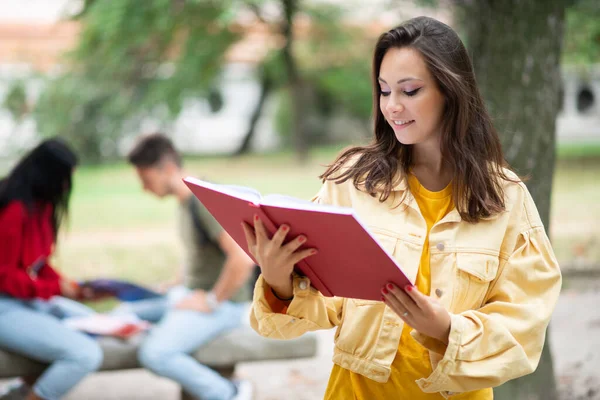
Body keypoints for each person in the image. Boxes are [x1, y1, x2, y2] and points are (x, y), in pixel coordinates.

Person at [243, 16, 562, 399]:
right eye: (384, 90)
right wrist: (279, 282)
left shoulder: (506, 198)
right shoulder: (351, 183)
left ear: (451, 91)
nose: (392, 106)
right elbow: (316, 312)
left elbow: (524, 328)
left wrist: (445, 329)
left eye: (409, 91)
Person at [124, 133, 255, 400]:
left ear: (169, 169)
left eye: (146, 180)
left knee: (154, 353)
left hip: (224, 305)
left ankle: (230, 393)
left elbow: (243, 257)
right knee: (125, 312)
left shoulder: (202, 200)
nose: (145, 188)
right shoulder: (187, 201)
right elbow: (200, 251)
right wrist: (176, 281)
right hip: (188, 295)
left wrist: (212, 300)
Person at [0, 138, 103, 400]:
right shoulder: (13, 209)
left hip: (23, 301)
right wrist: (56, 288)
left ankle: (22, 392)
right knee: (85, 354)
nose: (68, 186)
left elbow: (37, 263)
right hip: (5, 305)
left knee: (97, 325)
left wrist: (72, 286)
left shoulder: (42, 206)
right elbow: (5, 277)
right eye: (65, 177)